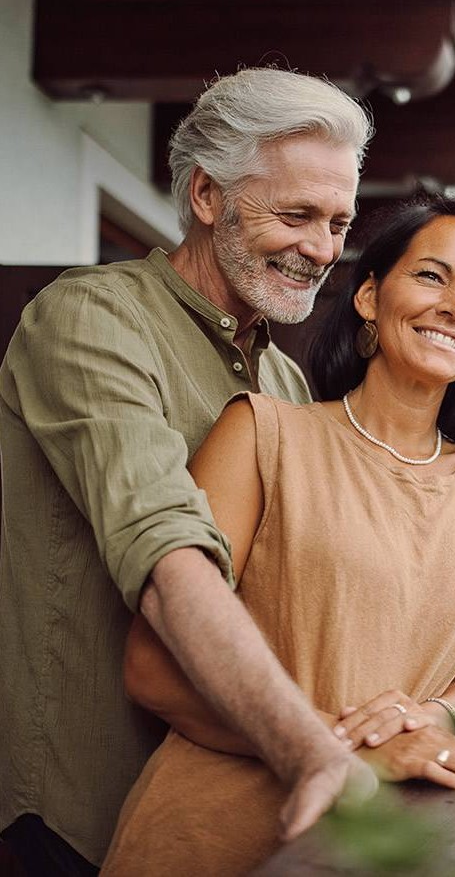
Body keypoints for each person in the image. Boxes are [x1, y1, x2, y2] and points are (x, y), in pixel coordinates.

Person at [99, 194, 455, 875]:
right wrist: (349, 747)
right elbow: (152, 669)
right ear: (369, 297)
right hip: (215, 836)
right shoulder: (262, 433)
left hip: (385, 847)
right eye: (432, 276)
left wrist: (433, 719)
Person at [0, 68, 374, 874]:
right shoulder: (91, 317)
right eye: (296, 215)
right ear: (207, 195)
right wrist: (314, 752)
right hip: (73, 820)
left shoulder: (285, 382)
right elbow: (170, 562)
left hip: (211, 814)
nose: (322, 250)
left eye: (339, 223)